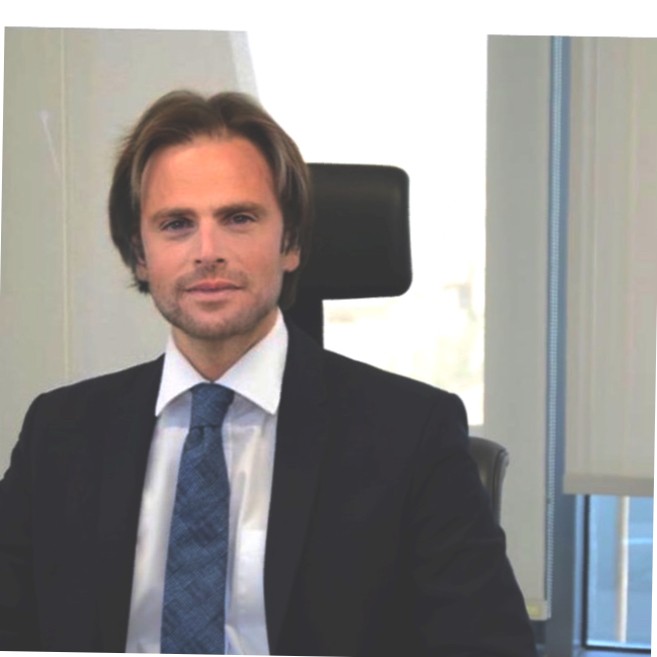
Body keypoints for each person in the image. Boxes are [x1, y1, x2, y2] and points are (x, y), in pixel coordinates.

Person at [0, 89, 537, 656]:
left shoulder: (410, 434)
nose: (208, 251)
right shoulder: (60, 433)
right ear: (140, 254)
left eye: (238, 218)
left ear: (291, 242)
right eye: (177, 224)